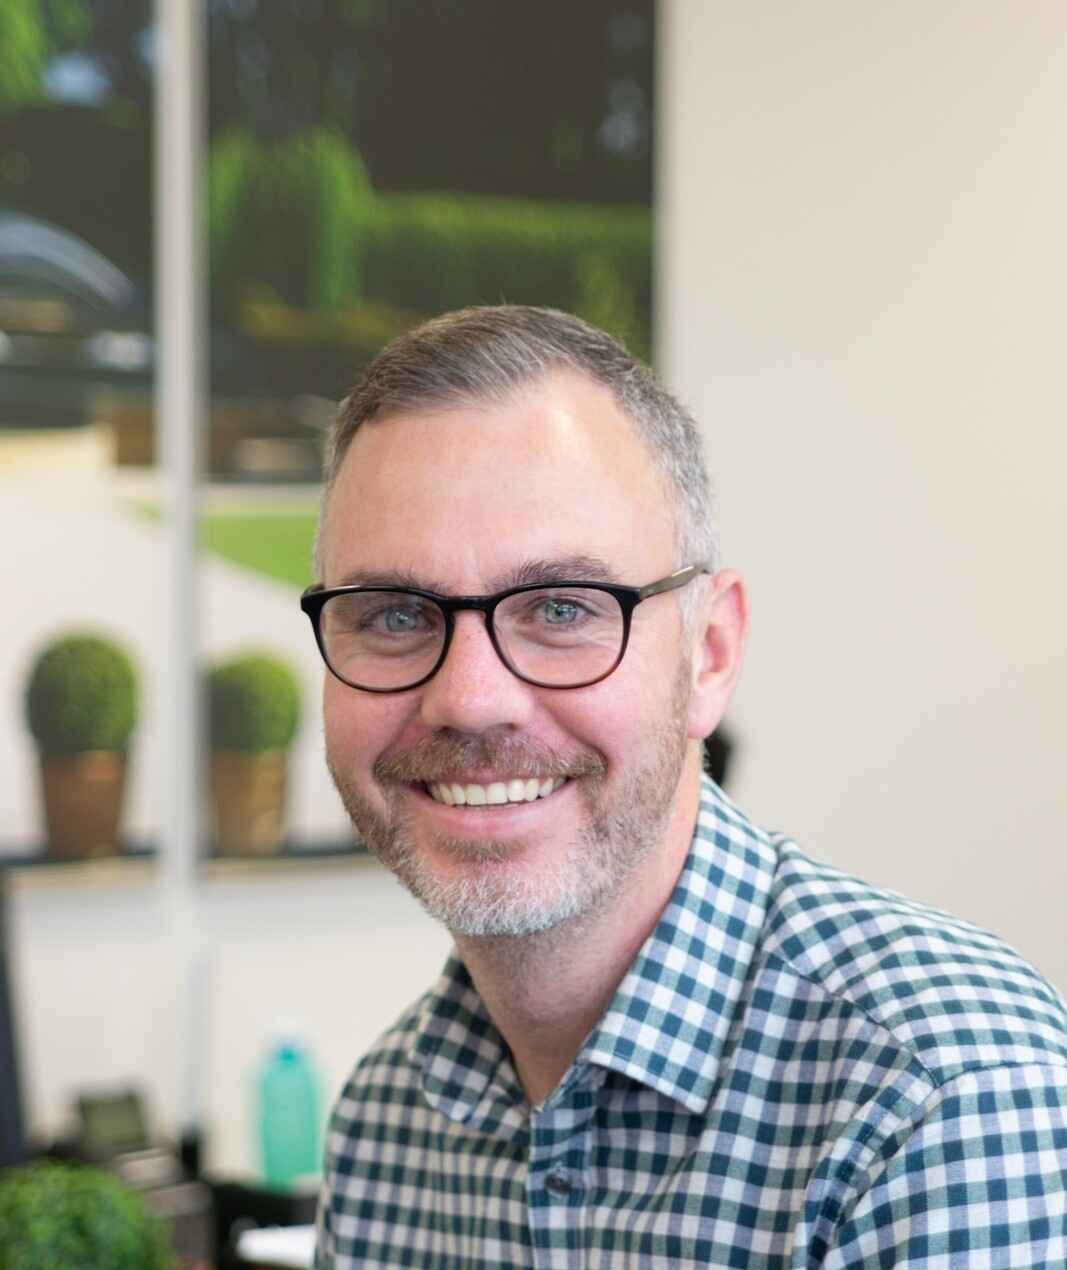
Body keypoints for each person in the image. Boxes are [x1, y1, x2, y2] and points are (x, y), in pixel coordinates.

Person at [306, 306, 1067, 1268]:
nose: (469, 700)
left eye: (560, 608)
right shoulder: (386, 1123)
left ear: (710, 654)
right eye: (394, 615)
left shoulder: (940, 1098)